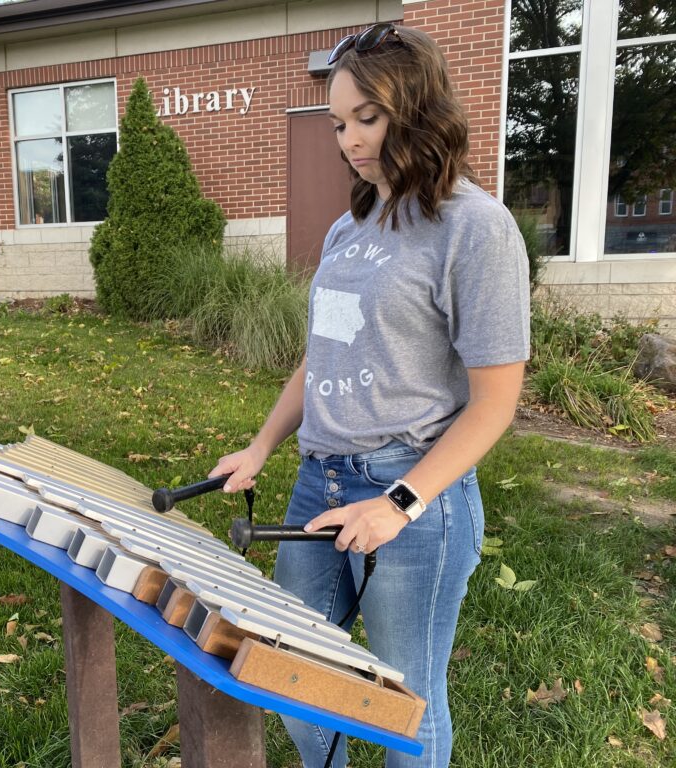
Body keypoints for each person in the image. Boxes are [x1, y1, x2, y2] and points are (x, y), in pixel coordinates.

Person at [209, 23, 530, 768]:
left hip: (412, 496)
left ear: (415, 108)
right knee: (288, 674)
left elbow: (494, 404)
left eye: (367, 117)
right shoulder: (350, 227)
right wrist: (261, 446)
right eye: (338, 123)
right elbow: (321, 356)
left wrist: (398, 506)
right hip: (319, 483)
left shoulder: (475, 229)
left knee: (403, 704)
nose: (349, 139)